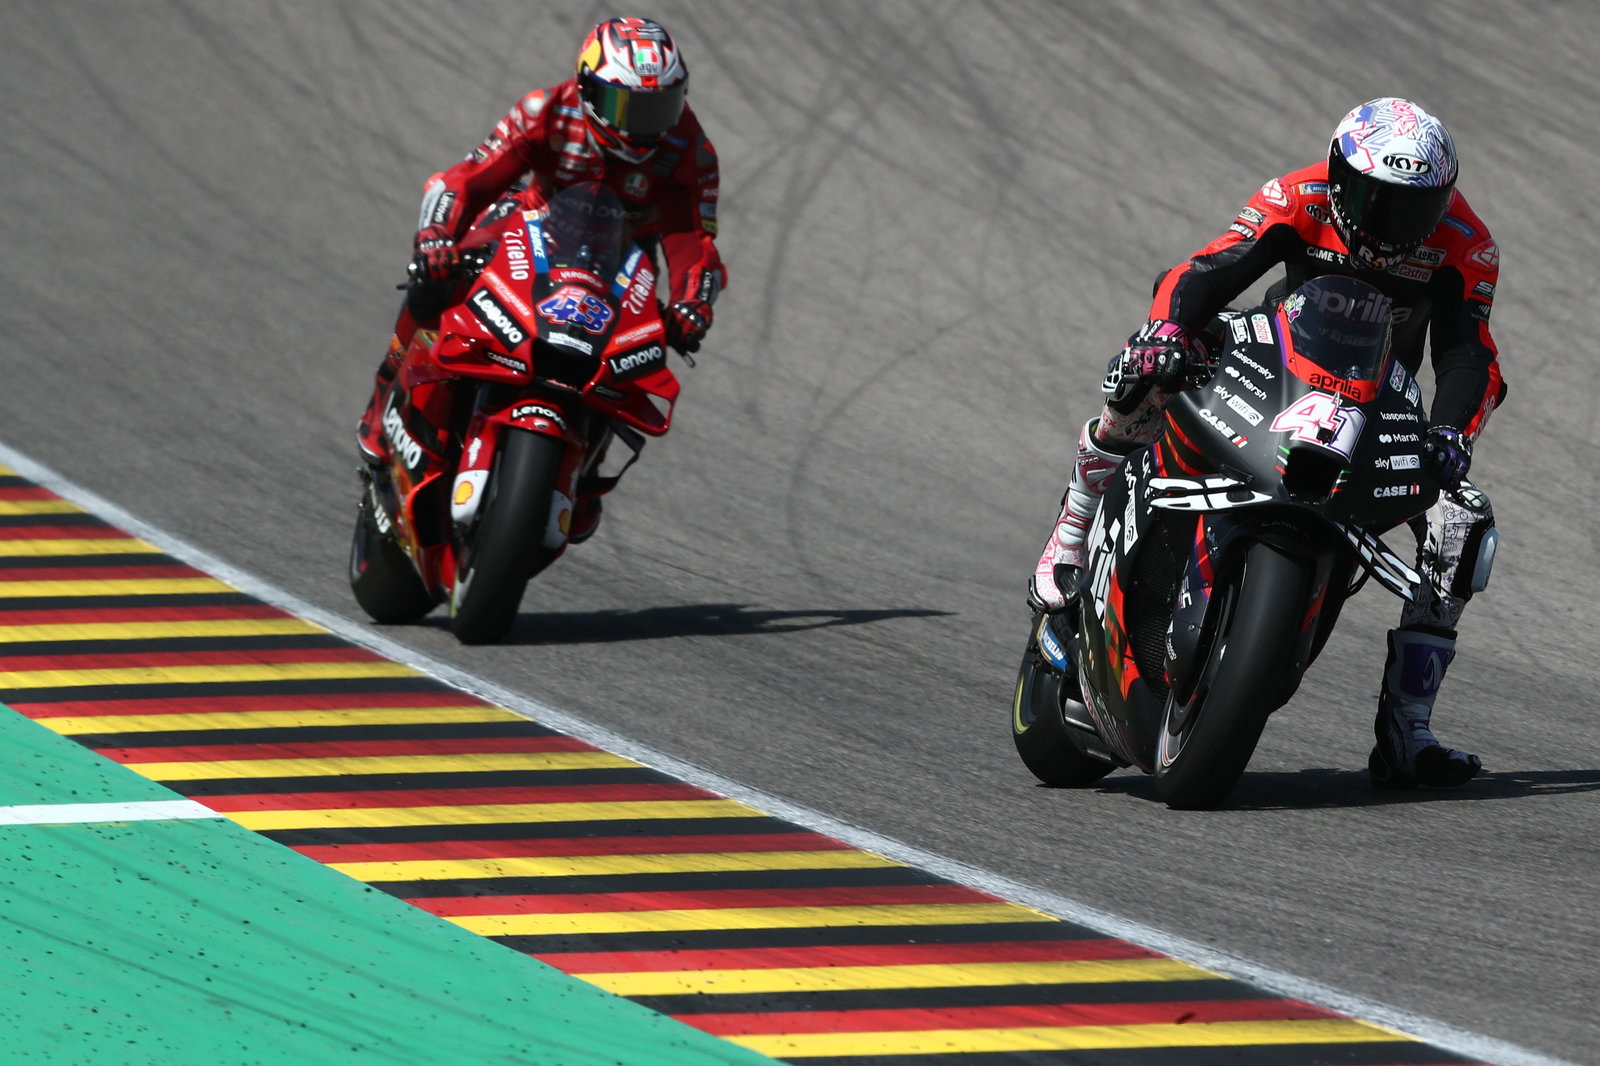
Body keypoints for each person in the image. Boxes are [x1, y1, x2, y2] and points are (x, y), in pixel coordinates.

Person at [1028, 97, 1505, 790]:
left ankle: (1407, 728)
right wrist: (1170, 333)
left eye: (1414, 209)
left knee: (1463, 523)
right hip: (1273, 360)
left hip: (1381, 403)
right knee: (1143, 366)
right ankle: (1073, 527)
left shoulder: (1466, 243)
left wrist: (1450, 432)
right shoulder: (1297, 195)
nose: (1390, 224)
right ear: (1339, 178)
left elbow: (1470, 356)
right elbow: (1208, 270)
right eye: (1373, 201)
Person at [355, 16, 726, 543]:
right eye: (627, 107)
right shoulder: (545, 110)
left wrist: (694, 303)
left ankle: (585, 472)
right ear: (589, 90)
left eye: (660, 107)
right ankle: (383, 402)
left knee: (642, 351)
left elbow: (694, 240)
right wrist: (436, 236)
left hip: (623, 256)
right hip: (529, 225)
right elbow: (467, 178)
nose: (644, 127)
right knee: (435, 281)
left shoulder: (691, 148)